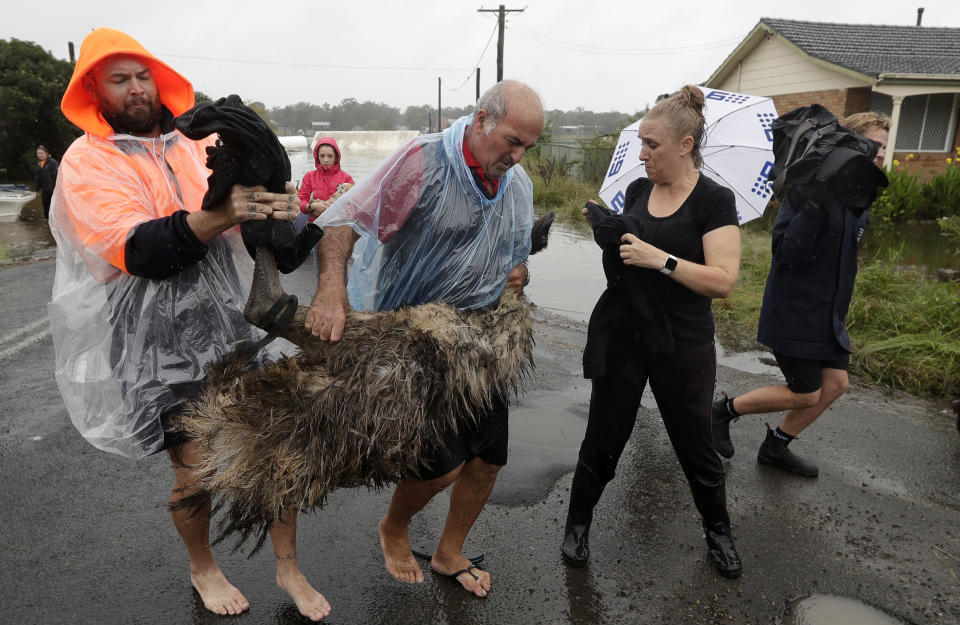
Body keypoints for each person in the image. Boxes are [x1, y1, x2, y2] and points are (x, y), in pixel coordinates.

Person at [47, 28, 329, 620]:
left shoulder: (195, 142)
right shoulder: (87, 161)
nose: (135, 89)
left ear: (159, 77)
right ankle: (204, 566)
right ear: (94, 88)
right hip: (152, 341)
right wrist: (222, 211)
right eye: (118, 79)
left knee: (278, 447)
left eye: (142, 75)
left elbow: (244, 222)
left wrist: (280, 215)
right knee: (197, 471)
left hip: (232, 323)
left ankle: (288, 567)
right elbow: (140, 252)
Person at [306, 80, 544, 597]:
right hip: (415, 339)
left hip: (481, 340)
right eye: (511, 141)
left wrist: (518, 269)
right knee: (440, 466)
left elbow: (517, 248)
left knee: (489, 459)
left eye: (528, 146)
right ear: (481, 119)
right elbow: (347, 219)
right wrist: (330, 288)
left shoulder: (516, 184)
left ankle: (448, 551)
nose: (518, 156)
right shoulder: (423, 162)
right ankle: (393, 527)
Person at [561, 85, 743, 579]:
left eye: (653, 146)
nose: (642, 154)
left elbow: (723, 281)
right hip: (626, 333)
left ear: (685, 145)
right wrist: (609, 227)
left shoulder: (714, 201)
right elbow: (626, 254)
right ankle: (577, 524)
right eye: (640, 143)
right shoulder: (640, 190)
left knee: (694, 443)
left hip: (683, 343)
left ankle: (718, 533)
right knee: (604, 436)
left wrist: (658, 259)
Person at [711, 111, 890, 478]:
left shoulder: (858, 196)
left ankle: (776, 446)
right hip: (794, 312)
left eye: (884, 148)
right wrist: (816, 206)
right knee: (807, 392)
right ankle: (722, 412)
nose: (881, 155)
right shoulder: (808, 191)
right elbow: (786, 254)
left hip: (828, 314)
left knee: (836, 384)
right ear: (849, 146)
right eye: (875, 146)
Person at [298, 137, 354, 219]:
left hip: (338, 223)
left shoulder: (346, 177)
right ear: (317, 157)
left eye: (330, 156)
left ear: (336, 157)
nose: (326, 160)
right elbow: (301, 201)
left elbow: (354, 203)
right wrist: (312, 206)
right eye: (322, 156)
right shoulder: (309, 176)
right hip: (314, 225)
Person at [35, 145, 59, 218]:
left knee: (52, 207)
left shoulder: (53, 163)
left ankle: (53, 223)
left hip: (53, 190)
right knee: (45, 206)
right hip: (45, 190)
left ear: (46, 153)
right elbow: (37, 177)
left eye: (41, 153)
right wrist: (37, 189)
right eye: (38, 153)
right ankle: (48, 222)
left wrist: (57, 189)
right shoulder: (39, 164)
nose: (40, 155)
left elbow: (59, 176)